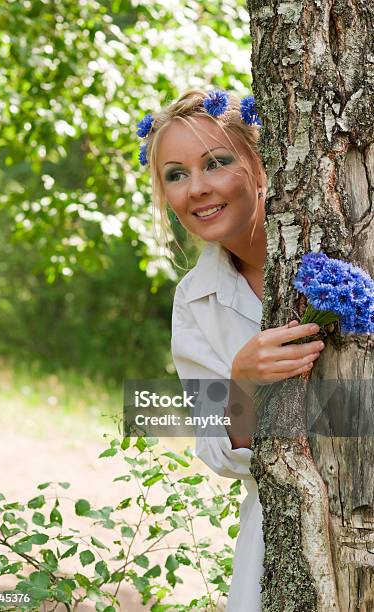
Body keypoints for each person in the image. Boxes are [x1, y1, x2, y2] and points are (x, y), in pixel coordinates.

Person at [136, 89, 325, 611]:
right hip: (282, 538)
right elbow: (225, 456)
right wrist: (242, 382)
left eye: (216, 163)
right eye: (175, 174)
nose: (196, 188)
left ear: (259, 164)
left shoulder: (345, 235)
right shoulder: (195, 301)